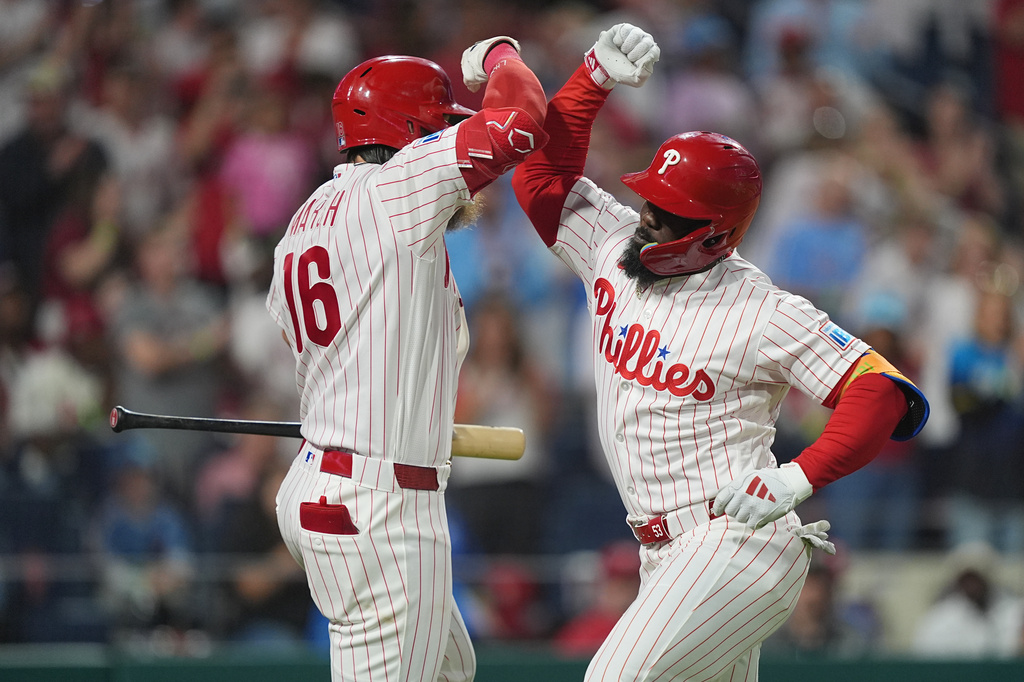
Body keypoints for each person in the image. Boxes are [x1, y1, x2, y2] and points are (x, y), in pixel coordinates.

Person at [511, 23, 929, 680]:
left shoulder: (758, 309)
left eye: (668, 212)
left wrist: (797, 477)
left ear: (716, 233)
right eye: (650, 199)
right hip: (663, 554)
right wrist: (590, 78)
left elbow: (882, 391)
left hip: (736, 541)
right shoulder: (615, 247)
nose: (647, 216)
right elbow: (541, 182)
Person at [266, 38, 548, 681]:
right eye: (441, 128)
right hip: (380, 504)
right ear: (412, 135)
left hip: (330, 478)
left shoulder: (303, 223)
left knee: (449, 670)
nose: (449, 140)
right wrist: (502, 58)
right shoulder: (396, 188)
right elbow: (523, 121)